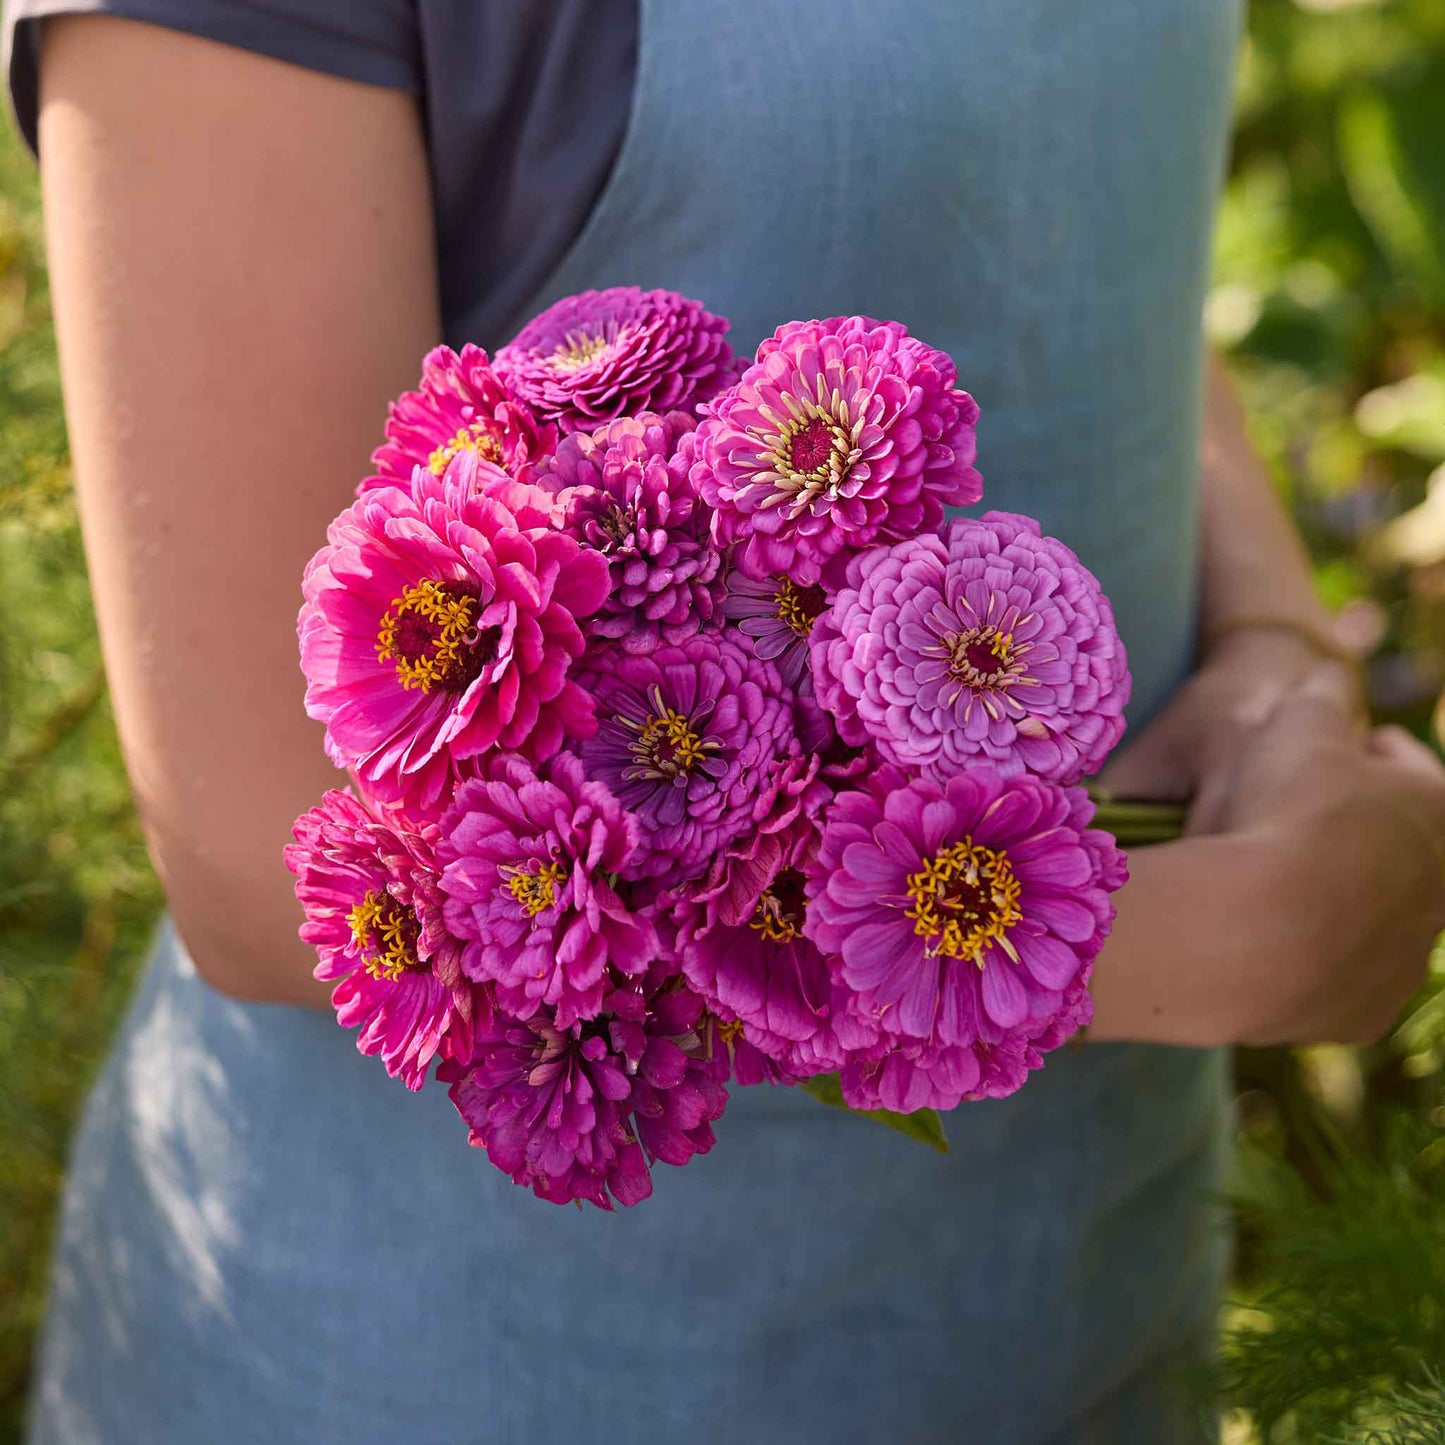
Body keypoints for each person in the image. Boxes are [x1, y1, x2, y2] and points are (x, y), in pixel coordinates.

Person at [7, 3, 1445, 1441]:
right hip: (498, 1370)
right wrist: (1239, 940)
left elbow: (1089, 234)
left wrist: (1275, 646)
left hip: (1089, 1295)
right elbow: (265, 844)